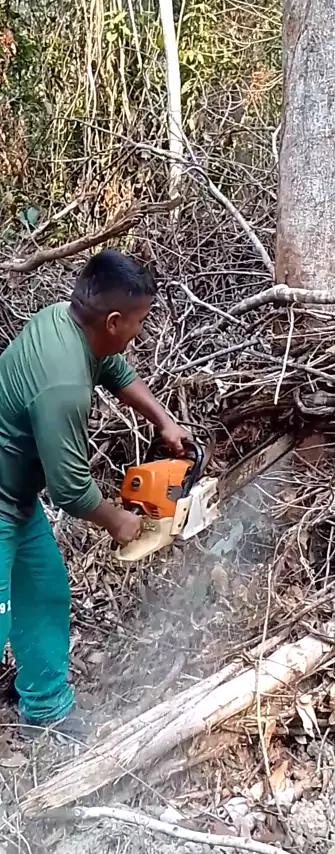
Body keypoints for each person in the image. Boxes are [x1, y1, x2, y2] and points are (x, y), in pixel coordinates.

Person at [0, 248, 190, 740]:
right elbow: (69, 488)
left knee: (43, 594)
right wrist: (120, 521)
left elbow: (114, 369)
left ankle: (46, 711)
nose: (139, 331)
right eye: (138, 322)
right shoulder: (62, 383)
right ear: (112, 321)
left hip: (14, 500)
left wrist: (164, 421)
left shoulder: (60, 321)